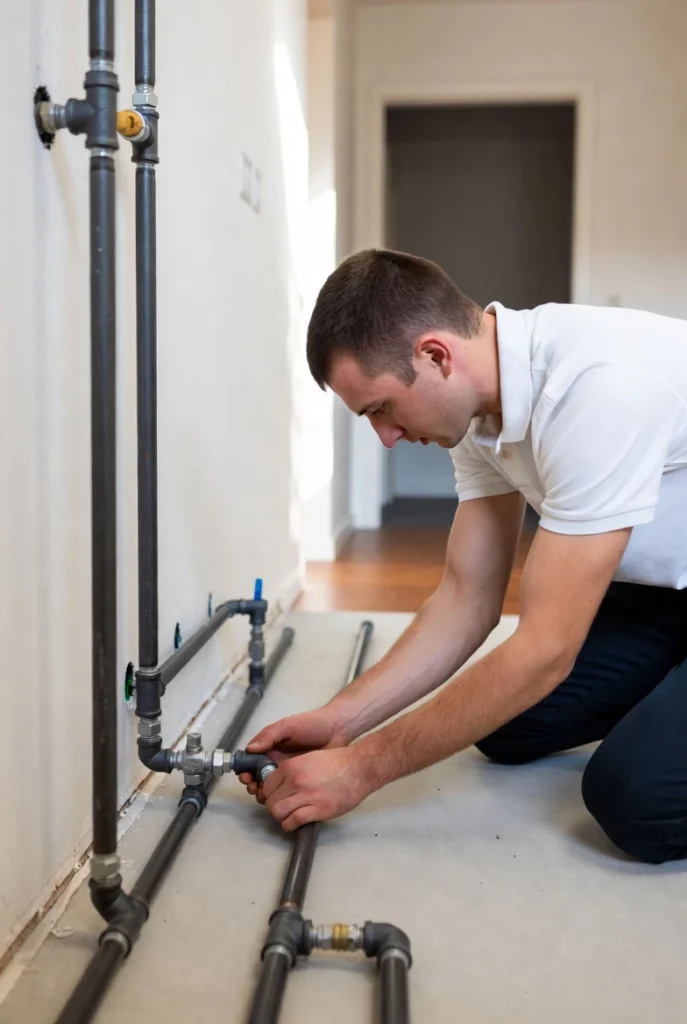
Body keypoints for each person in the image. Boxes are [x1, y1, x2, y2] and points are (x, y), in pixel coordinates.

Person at [240, 249, 687, 864]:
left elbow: (545, 654)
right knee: (504, 724)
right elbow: (466, 596)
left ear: (435, 356)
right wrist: (343, 721)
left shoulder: (598, 388)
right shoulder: (481, 410)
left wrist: (360, 771)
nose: (386, 437)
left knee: (635, 799)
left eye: (381, 409)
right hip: (668, 592)